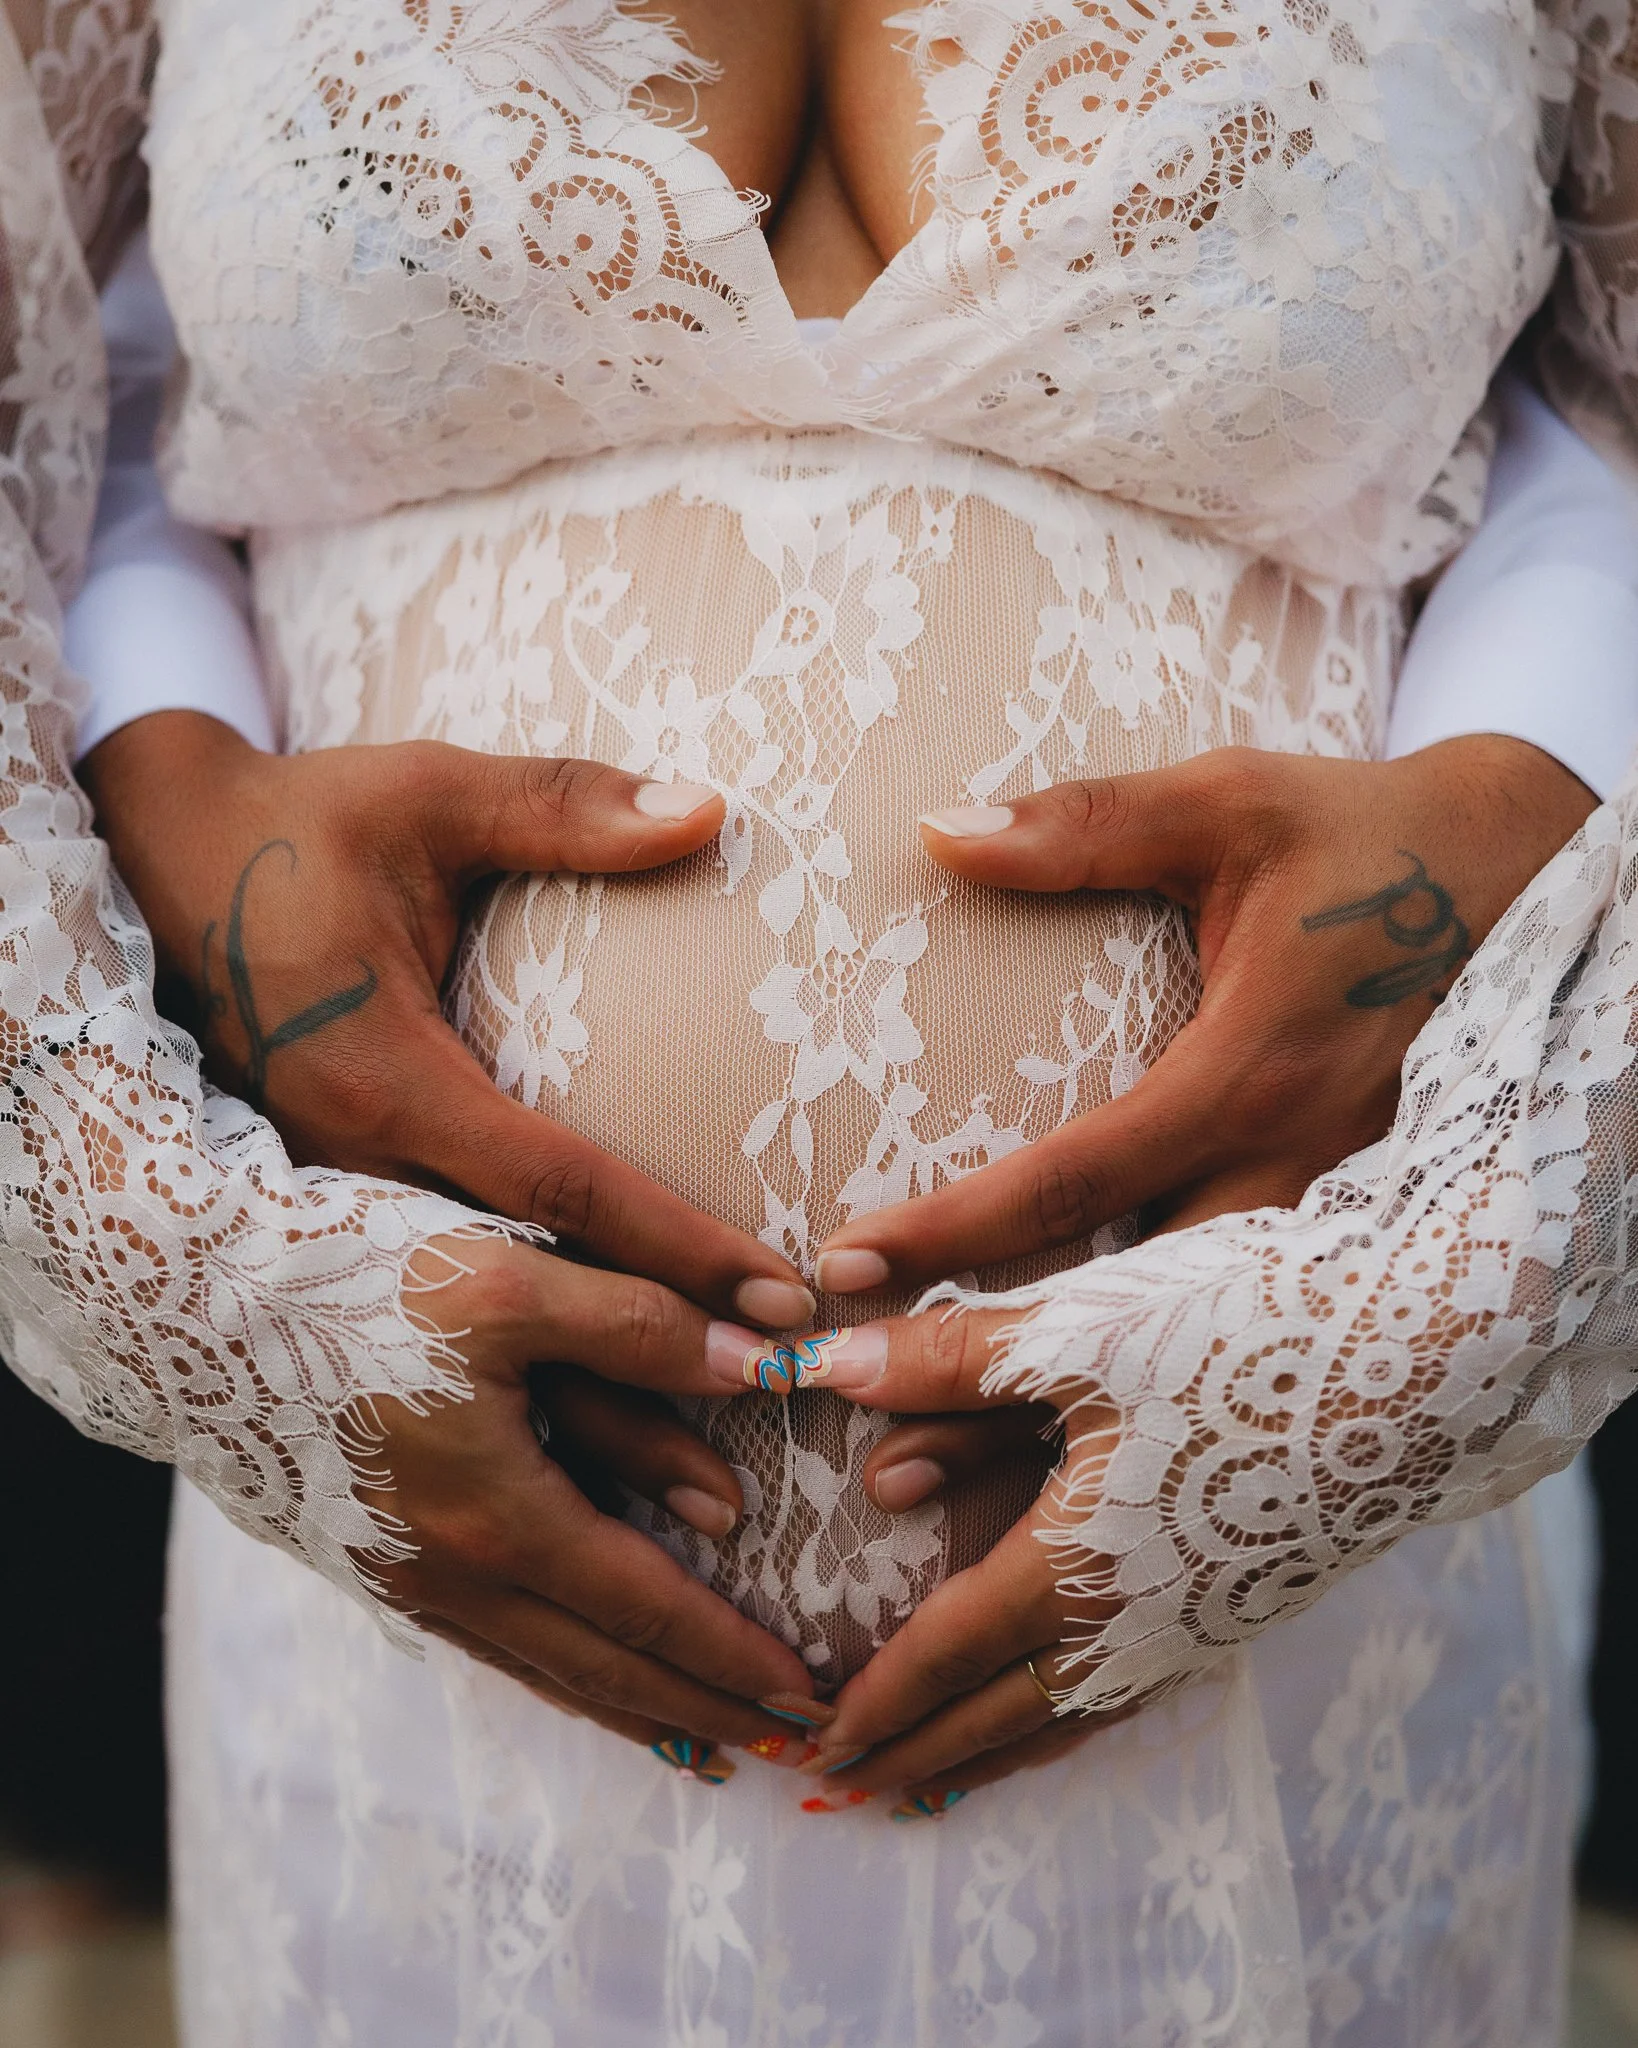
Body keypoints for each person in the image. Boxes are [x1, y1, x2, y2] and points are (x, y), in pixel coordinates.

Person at [4, 0, 1638, 2039]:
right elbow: (45, 363)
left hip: (1292, 1645)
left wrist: (1510, 851)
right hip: (428, 1683)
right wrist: (172, 830)